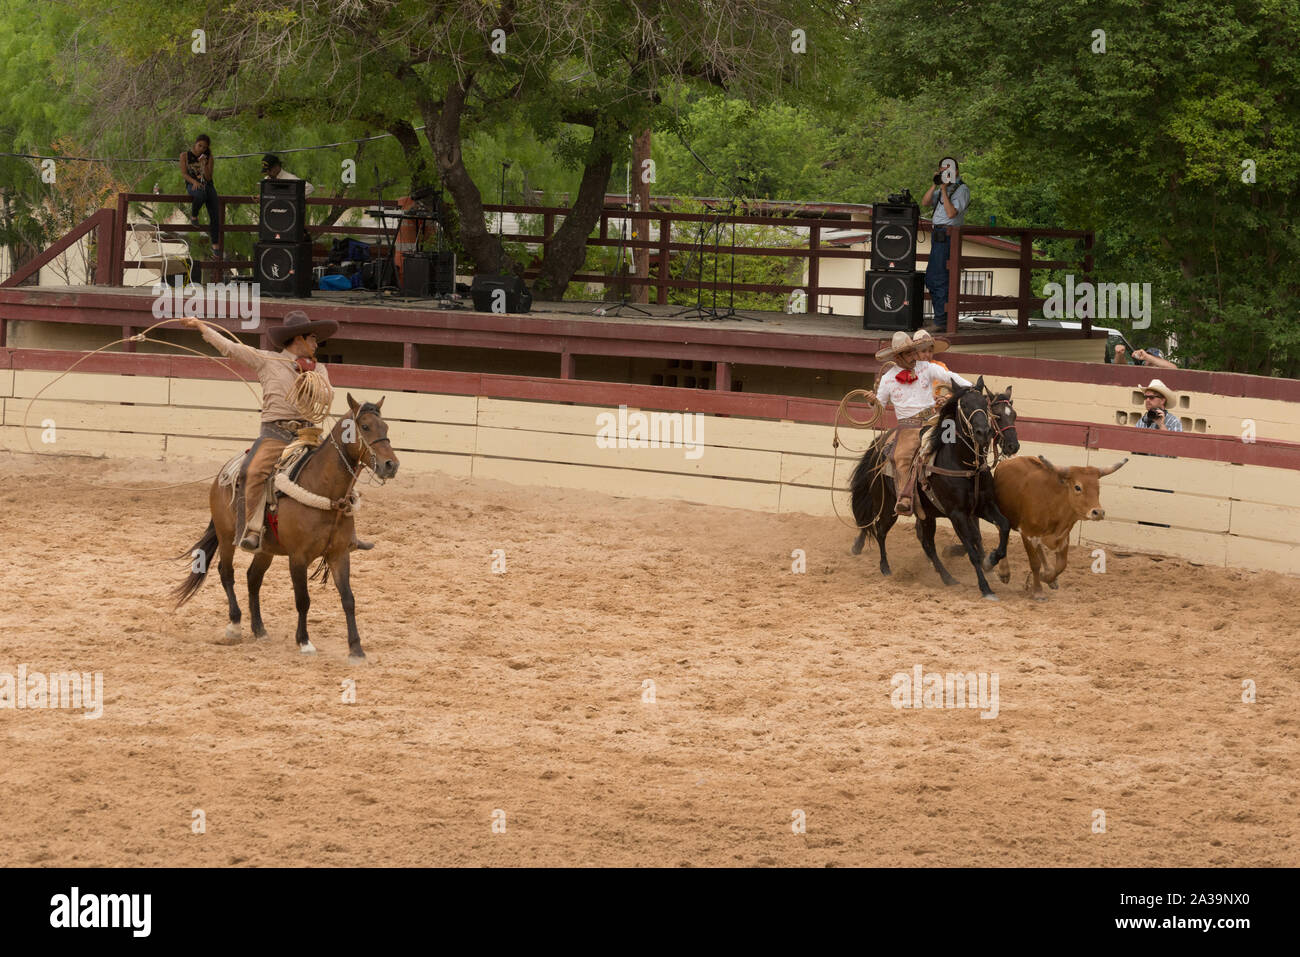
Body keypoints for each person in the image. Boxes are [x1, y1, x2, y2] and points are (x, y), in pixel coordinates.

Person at [179, 311, 373, 552]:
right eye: (312, 337)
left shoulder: (318, 369)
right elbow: (230, 348)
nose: (316, 343)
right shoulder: (267, 360)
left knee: (341, 466)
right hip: (275, 434)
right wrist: (201, 328)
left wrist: (309, 381)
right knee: (253, 471)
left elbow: (328, 394)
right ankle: (252, 527)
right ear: (298, 339)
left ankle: (348, 535)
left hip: (308, 433)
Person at [875, 330, 974, 516]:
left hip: (933, 420)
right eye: (908, 354)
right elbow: (878, 406)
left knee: (955, 438)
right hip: (908, 426)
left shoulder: (926, 368)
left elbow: (948, 376)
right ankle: (905, 497)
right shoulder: (888, 378)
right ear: (898, 357)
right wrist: (872, 401)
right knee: (902, 457)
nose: (914, 356)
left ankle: (969, 477)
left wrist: (970, 387)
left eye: (914, 352)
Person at [921, 157, 970, 333]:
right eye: (942, 170)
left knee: (939, 277)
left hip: (948, 236)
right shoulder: (943, 187)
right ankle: (941, 318)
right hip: (937, 235)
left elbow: (951, 213)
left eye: (948, 170)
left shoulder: (961, 189)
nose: (945, 173)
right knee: (932, 277)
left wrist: (943, 190)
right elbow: (925, 202)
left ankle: (941, 320)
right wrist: (935, 184)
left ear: (956, 172)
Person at [180, 134, 220, 252]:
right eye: (199, 145)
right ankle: (194, 215)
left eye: (204, 147)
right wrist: (194, 182)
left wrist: (204, 164)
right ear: (195, 143)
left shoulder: (209, 157)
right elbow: (184, 173)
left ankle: (215, 244)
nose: (201, 149)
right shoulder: (185, 156)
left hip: (207, 185)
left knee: (215, 213)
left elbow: (208, 177)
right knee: (200, 195)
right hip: (192, 184)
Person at [912, 328, 953, 404]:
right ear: (915, 353)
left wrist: (945, 398)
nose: (927, 354)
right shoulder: (910, 369)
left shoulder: (940, 366)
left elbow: (952, 387)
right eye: (923, 351)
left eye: (930, 351)